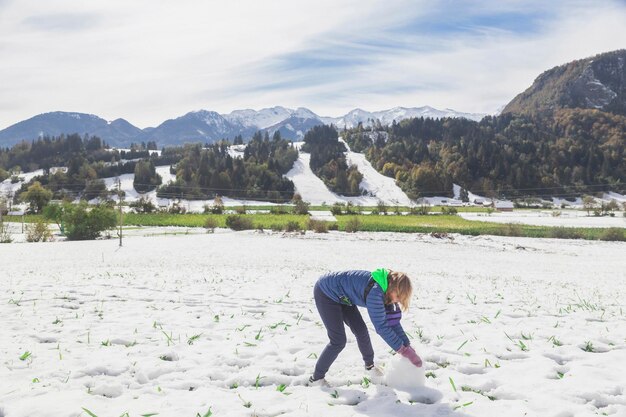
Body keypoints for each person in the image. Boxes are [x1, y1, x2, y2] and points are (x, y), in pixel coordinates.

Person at [308, 268, 422, 385]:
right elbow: (382, 327)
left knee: (361, 331)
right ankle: (316, 378)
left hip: (344, 297)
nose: (397, 301)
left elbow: (393, 323)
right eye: (398, 297)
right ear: (393, 288)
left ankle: (369, 366)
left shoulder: (387, 293)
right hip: (326, 292)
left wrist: (407, 344)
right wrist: (403, 351)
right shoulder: (376, 294)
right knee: (338, 341)